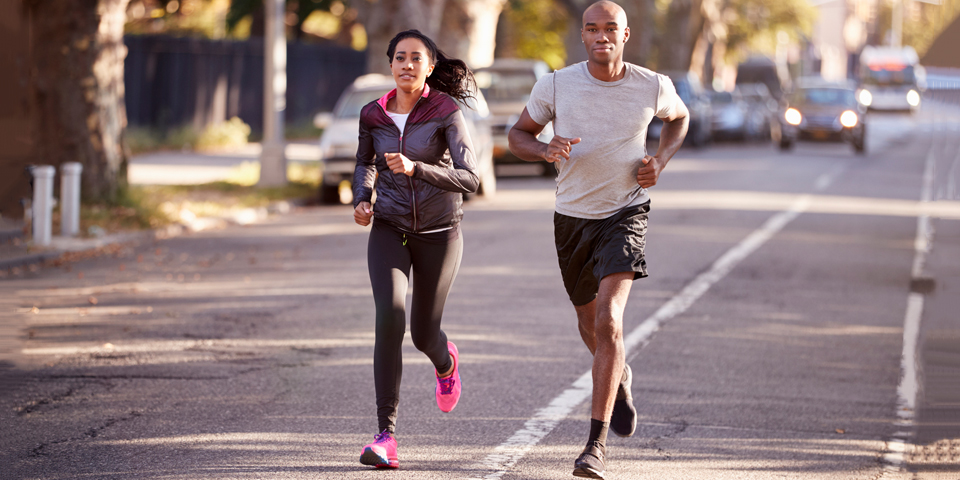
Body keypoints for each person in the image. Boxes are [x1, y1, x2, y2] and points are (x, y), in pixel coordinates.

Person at [507, 1, 689, 478]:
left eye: (611, 28)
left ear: (625, 35)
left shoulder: (652, 85)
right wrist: (544, 147)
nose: (602, 36)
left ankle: (595, 445)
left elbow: (679, 119)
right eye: (593, 29)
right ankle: (620, 377)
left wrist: (660, 161)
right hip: (571, 218)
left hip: (626, 211)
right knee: (589, 325)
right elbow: (516, 134)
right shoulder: (556, 84)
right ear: (583, 36)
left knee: (609, 321)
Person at [352, 29, 480, 469]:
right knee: (390, 316)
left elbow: (470, 178)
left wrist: (417, 168)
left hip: (440, 232)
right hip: (389, 227)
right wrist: (362, 199)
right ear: (390, 64)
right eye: (399, 57)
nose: (407, 64)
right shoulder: (373, 114)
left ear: (429, 66)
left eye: (416, 58)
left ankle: (445, 364)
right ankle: (385, 436)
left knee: (423, 333)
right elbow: (364, 162)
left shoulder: (446, 110)